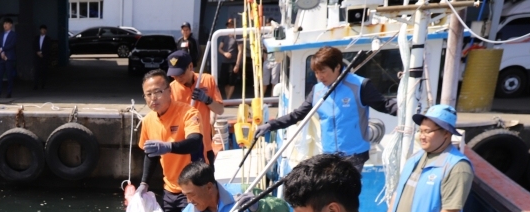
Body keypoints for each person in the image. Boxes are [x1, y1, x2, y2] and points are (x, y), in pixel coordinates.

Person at [255, 46, 397, 173]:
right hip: (329, 153)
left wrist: (409, 113)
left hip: (355, 154)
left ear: (337, 67)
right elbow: (298, 114)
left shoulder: (360, 85)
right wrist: (270, 125)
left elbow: (384, 105)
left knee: (344, 195)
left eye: (323, 71)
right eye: (316, 72)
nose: (319, 77)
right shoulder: (317, 91)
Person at [137, 69, 203, 212]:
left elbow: (195, 142)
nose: (153, 98)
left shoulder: (188, 113)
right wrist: (144, 183)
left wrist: (168, 147)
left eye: (158, 92)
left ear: (170, 91)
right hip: (169, 189)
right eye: (148, 94)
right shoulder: (148, 121)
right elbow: (150, 154)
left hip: (194, 187)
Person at [167, 50, 223, 164]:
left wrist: (207, 100)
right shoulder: (170, 90)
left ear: (191, 66)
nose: (178, 77)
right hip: (182, 148)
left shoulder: (207, 80)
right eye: (174, 74)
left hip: (205, 146)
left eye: (181, 73)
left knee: (207, 181)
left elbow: (220, 110)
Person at [0, 18, 17, 98]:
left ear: (11, 25)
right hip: (1, 57)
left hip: (9, 57)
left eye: (7, 23)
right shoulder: (1, 34)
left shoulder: (13, 34)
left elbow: (12, 44)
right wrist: (1, 52)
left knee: (9, 76)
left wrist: (3, 49)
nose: (5, 25)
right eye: (4, 23)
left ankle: (9, 92)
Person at [218, 18, 237, 100]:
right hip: (225, 62)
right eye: (228, 25)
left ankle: (228, 99)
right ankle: (227, 98)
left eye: (231, 25)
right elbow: (219, 48)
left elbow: (240, 50)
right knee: (225, 82)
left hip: (233, 62)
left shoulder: (237, 36)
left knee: (232, 82)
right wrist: (224, 53)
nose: (230, 27)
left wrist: (238, 63)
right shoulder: (224, 37)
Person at [33, 24, 50, 90]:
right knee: (37, 71)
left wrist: (43, 53)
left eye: (44, 30)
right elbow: (34, 46)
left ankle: (43, 84)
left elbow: (48, 48)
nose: (43, 31)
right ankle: (35, 85)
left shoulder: (48, 39)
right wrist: (37, 52)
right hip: (37, 56)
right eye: (42, 29)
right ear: (40, 30)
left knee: (44, 71)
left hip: (44, 57)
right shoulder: (36, 38)